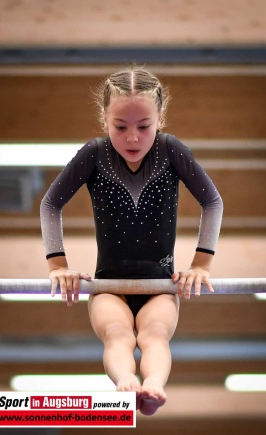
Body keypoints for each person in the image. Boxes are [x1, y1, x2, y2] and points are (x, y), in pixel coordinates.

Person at [40, 66, 223, 416]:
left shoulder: (171, 151)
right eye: (120, 127)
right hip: (108, 283)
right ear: (104, 118)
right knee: (117, 334)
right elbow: (50, 203)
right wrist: (57, 266)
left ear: (160, 118)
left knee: (154, 334)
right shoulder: (94, 154)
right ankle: (125, 379)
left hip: (159, 283)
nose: (133, 138)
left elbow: (212, 201)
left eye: (144, 127)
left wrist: (201, 264)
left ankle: (153, 384)